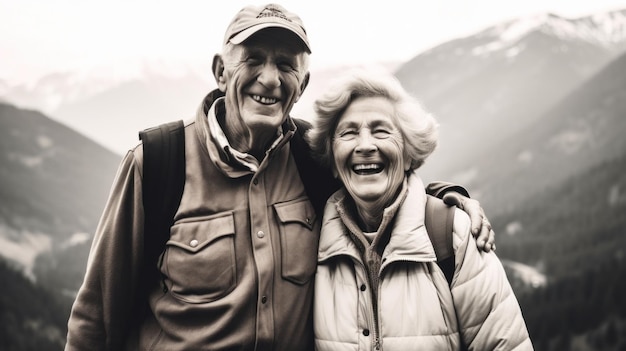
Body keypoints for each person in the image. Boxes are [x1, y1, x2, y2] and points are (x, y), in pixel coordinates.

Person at [65, 4, 495, 351]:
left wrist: (446, 198)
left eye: (285, 65)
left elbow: (381, 188)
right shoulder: (158, 163)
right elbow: (96, 318)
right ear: (220, 71)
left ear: (302, 83)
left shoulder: (313, 158)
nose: (269, 79)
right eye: (253, 59)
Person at [308, 68, 532, 350]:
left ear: (409, 153)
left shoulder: (454, 235)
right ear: (332, 160)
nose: (365, 145)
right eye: (349, 133)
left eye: (381, 131)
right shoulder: (310, 240)